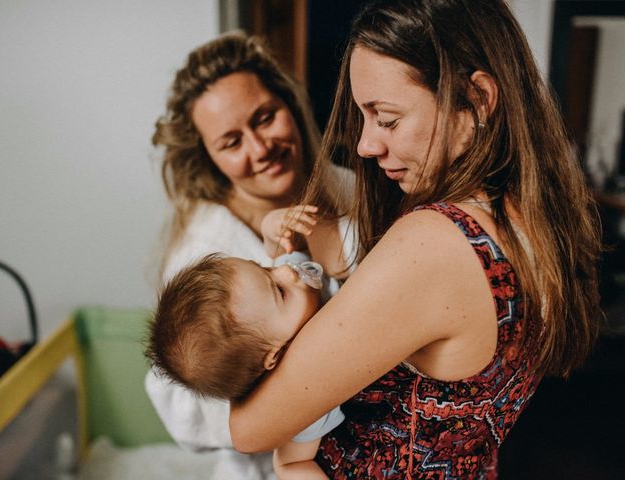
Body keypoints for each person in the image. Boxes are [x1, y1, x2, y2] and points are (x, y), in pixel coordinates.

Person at [229, 1, 602, 478]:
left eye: (386, 119)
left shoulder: (436, 243)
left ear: (478, 100)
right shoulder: (530, 222)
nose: (366, 145)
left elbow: (250, 428)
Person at [144, 31, 352, 478]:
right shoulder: (203, 255)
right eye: (231, 142)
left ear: (290, 104)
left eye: (264, 117)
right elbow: (188, 404)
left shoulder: (351, 189)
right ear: (208, 156)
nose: (260, 149)